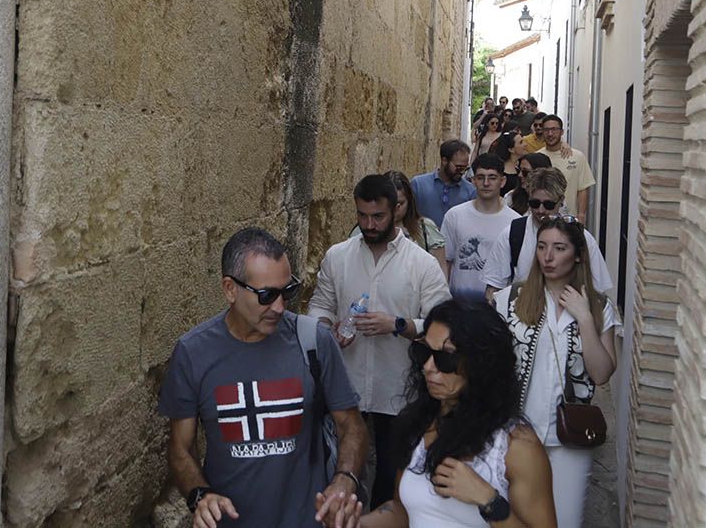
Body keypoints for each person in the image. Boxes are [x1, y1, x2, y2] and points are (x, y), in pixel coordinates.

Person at [159, 227, 369, 528]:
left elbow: (352, 426)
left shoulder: (314, 341)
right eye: (266, 295)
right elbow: (180, 447)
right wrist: (200, 496)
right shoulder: (193, 353)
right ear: (230, 289)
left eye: (287, 291)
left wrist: (344, 479)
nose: (280, 306)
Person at [309, 176, 452, 510]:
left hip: (397, 389)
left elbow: (442, 324)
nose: (369, 225)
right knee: (341, 472)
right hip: (346, 385)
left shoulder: (422, 264)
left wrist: (398, 325)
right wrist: (326, 330)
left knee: (391, 479)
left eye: (378, 217)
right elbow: (319, 306)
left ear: (395, 211)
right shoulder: (337, 256)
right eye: (362, 216)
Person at [353, 299, 557, 528]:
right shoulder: (418, 424)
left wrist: (489, 501)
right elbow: (403, 512)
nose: (428, 367)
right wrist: (355, 524)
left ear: (481, 363)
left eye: (446, 358)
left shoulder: (516, 447)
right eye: (423, 352)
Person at [493, 216, 619, 528]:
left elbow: (602, 373)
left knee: (564, 521)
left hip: (570, 438)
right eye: (542, 247)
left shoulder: (599, 306)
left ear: (577, 254)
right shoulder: (510, 299)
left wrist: (585, 320)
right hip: (515, 432)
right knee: (512, 519)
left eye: (559, 248)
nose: (548, 257)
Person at [483, 168, 614, 297]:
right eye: (534, 203)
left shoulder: (581, 238)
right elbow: (493, 287)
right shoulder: (512, 234)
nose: (540, 210)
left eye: (548, 205)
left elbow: (599, 291)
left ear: (561, 201)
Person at [440, 154, 520, 301]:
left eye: (492, 178)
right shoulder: (455, 216)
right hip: (459, 304)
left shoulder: (515, 222)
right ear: (473, 181)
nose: (486, 183)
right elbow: (446, 261)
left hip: (497, 306)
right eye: (480, 177)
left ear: (502, 181)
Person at [382, 171, 448, 281]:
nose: (394, 209)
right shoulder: (369, 229)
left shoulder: (426, 229)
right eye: (389, 203)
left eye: (400, 203)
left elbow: (441, 272)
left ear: (409, 201)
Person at [538, 116, 596, 224]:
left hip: (568, 221)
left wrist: (581, 215)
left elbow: (582, 189)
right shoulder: (537, 157)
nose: (550, 134)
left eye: (554, 129)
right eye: (546, 130)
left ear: (562, 132)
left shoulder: (577, 157)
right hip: (541, 219)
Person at [410, 141, 477, 227]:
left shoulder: (470, 191)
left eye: (465, 168)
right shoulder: (418, 185)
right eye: (458, 167)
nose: (462, 172)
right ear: (444, 161)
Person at [491, 131, 528, 196]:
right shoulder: (502, 173)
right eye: (521, 142)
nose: (525, 144)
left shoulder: (519, 167)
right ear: (511, 149)